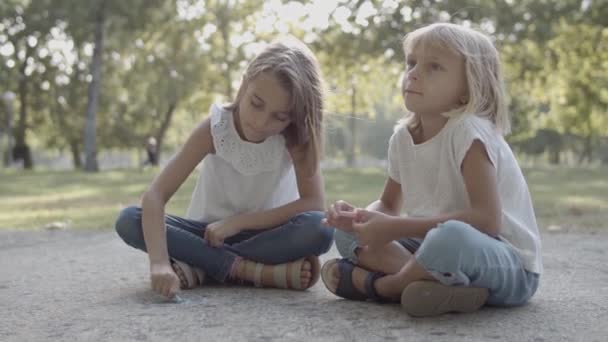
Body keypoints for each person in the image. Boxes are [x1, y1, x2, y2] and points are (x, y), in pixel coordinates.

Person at [321, 23, 541, 317]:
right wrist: (362, 219)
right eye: (411, 63)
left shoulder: (468, 132)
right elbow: (388, 204)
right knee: (347, 237)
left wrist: (394, 227)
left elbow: (486, 221)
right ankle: (438, 287)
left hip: (506, 263)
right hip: (433, 249)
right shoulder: (402, 137)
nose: (413, 73)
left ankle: (386, 286)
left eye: (434, 66)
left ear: (468, 88)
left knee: (449, 238)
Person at [115, 36, 334, 299]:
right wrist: (159, 263)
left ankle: (203, 265)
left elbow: (313, 203)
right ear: (243, 85)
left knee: (320, 228)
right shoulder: (214, 128)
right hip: (206, 235)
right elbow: (155, 196)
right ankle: (253, 272)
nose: (261, 122)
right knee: (130, 220)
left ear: (294, 116)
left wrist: (238, 223)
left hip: (269, 238)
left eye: (279, 116)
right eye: (256, 104)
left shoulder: (295, 137)